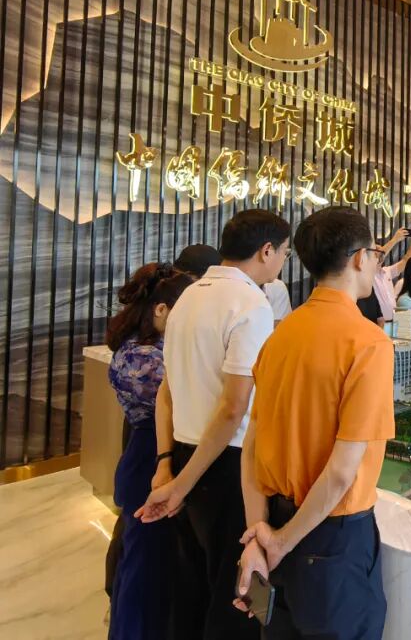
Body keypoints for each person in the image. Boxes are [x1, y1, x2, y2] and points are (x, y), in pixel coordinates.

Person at [234, 206, 395, 639]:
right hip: (334, 539)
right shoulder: (369, 343)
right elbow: (342, 472)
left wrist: (259, 534)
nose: (376, 264)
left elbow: (251, 445)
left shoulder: (279, 336)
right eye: (376, 254)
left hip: (276, 520)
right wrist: (279, 541)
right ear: (359, 258)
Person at [135, 209, 291, 640]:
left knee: (190, 586)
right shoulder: (251, 304)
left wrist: (167, 464)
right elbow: (233, 409)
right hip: (224, 465)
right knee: (233, 596)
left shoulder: (188, 296)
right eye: (284, 252)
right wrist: (181, 483)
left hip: (187, 455)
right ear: (266, 251)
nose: (283, 261)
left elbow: (167, 392)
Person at [104, 263, 194, 640]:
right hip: (151, 458)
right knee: (146, 571)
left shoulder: (137, 348)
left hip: (144, 454)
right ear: (160, 310)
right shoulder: (146, 361)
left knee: (142, 563)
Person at [369, 227, 411, 324]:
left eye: (380, 249)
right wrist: (395, 239)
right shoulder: (368, 273)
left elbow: (406, 260)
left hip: (394, 321)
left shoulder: (387, 271)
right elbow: (380, 255)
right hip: (377, 323)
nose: (379, 252)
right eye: (375, 250)